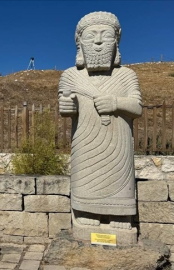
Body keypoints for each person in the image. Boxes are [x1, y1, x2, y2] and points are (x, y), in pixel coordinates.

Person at [58, 12, 142, 231]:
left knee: (120, 203)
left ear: (116, 41)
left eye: (105, 36)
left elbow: (137, 107)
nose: (97, 42)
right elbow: (65, 106)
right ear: (80, 43)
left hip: (118, 145)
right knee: (86, 186)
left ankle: (120, 214)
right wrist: (68, 107)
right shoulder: (71, 75)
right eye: (90, 36)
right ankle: (86, 210)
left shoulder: (126, 75)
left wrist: (115, 103)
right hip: (86, 143)